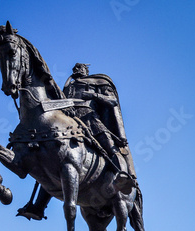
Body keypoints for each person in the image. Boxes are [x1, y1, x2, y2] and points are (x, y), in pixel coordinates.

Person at [17, 63, 136, 221]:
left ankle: (121, 175)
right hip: (68, 121)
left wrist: (93, 96)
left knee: (109, 145)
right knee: (53, 159)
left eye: (80, 68)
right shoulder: (67, 88)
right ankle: (38, 206)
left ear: (86, 71)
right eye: (75, 68)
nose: (77, 70)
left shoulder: (97, 83)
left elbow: (112, 101)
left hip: (90, 119)